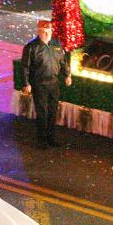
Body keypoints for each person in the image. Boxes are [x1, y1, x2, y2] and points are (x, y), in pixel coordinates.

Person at [20, 19, 71, 148]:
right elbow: (25, 67)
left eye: (48, 31)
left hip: (53, 84)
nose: (47, 34)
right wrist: (26, 83)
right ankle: (41, 140)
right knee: (42, 112)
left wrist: (67, 75)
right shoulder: (32, 47)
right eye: (43, 32)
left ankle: (51, 138)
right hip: (39, 84)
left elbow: (63, 61)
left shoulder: (56, 44)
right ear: (38, 32)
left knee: (53, 111)